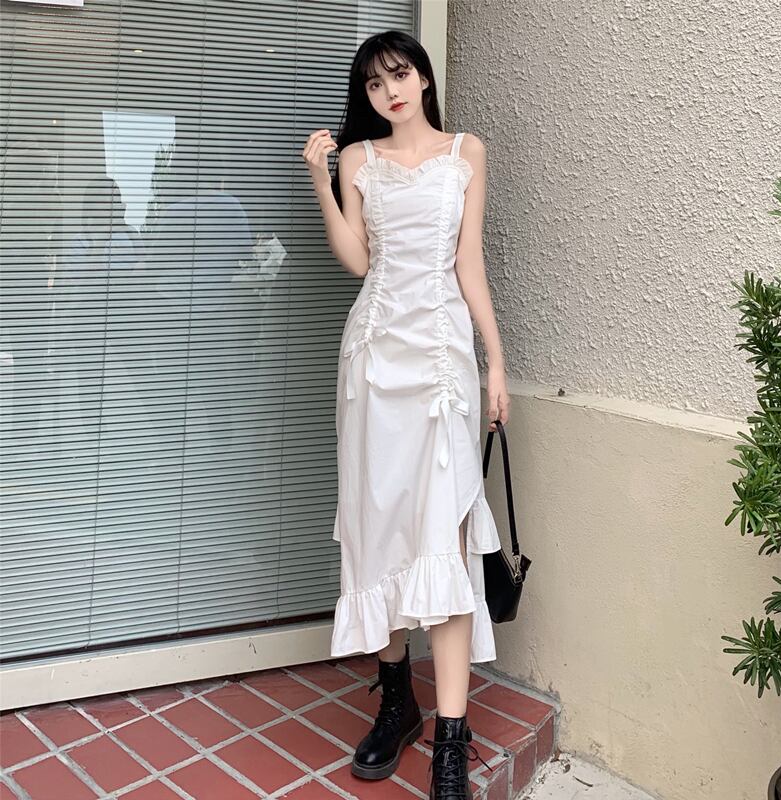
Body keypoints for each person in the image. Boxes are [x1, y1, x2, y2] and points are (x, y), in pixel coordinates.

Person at [303, 30, 510, 799]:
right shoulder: (358, 159)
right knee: (378, 525)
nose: (389, 91)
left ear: (423, 77)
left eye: (399, 74)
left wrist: (496, 362)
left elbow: (469, 263)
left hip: (442, 366)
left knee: (445, 535)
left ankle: (452, 741)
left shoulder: (467, 152)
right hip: (373, 360)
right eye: (374, 83)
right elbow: (358, 260)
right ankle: (398, 702)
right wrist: (321, 179)